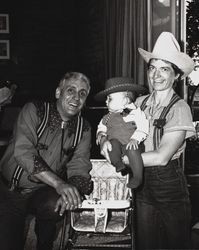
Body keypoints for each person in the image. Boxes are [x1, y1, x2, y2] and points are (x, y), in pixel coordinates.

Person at [99, 32, 196, 249]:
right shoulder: (138, 102)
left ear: (176, 76)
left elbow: (162, 157)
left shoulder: (179, 108)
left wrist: (121, 160)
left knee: (176, 243)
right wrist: (104, 140)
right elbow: (112, 125)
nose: (156, 75)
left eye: (165, 69)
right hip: (141, 185)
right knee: (146, 242)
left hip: (168, 184)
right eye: (152, 68)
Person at [0, 72, 93, 250]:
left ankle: (45, 241)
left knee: (55, 205)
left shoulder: (84, 128)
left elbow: (79, 167)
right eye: (71, 90)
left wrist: (71, 194)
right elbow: (24, 152)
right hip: (10, 192)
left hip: (42, 192)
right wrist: (59, 184)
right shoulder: (34, 109)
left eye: (82, 93)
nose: (76, 97)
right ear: (58, 93)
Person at [95, 77, 148, 188]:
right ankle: (118, 163)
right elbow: (101, 127)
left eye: (110, 99)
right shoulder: (107, 117)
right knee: (112, 144)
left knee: (133, 150)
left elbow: (143, 126)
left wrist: (135, 139)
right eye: (106, 99)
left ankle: (138, 176)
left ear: (125, 100)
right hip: (117, 146)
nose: (106, 101)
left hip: (131, 144)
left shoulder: (136, 113)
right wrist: (101, 134)